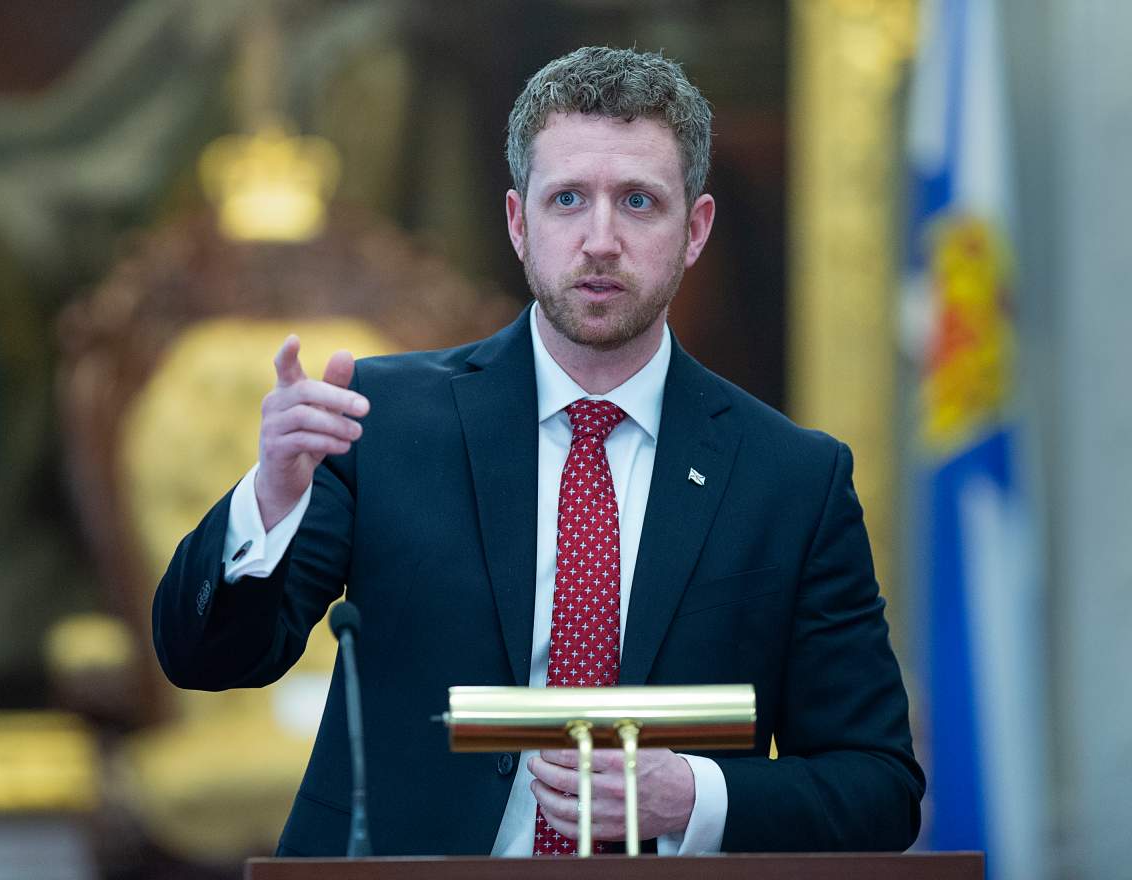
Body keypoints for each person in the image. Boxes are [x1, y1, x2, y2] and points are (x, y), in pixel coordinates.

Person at [153, 46, 923, 858]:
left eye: (637, 202)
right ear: (520, 223)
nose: (600, 240)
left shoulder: (793, 480)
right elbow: (207, 658)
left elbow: (878, 788)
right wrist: (270, 498)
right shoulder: (384, 425)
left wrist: (695, 796)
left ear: (694, 230)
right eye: (568, 200)